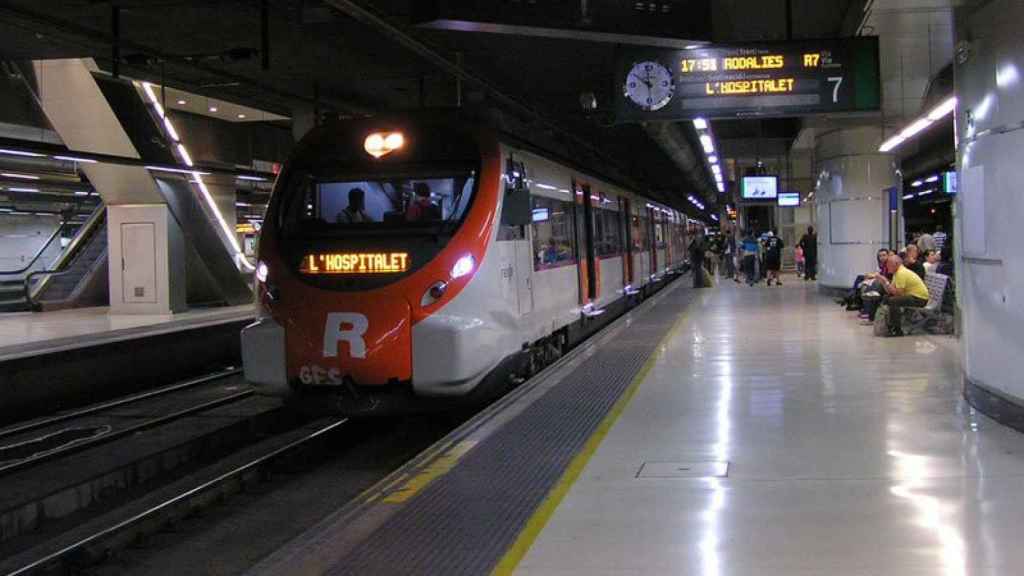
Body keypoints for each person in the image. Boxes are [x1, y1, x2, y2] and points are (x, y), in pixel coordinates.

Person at [875, 254, 930, 337]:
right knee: (887, 298)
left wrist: (886, 282)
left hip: (920, 299)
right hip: (913, 296)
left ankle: (896, 329)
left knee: (893, 301)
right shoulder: (897, 273)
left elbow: (898, 294)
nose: (887, 267)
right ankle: (889, 325)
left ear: (896, 264)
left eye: (889, 265)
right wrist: (883, 282)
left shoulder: (901, 273)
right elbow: (890, 291)